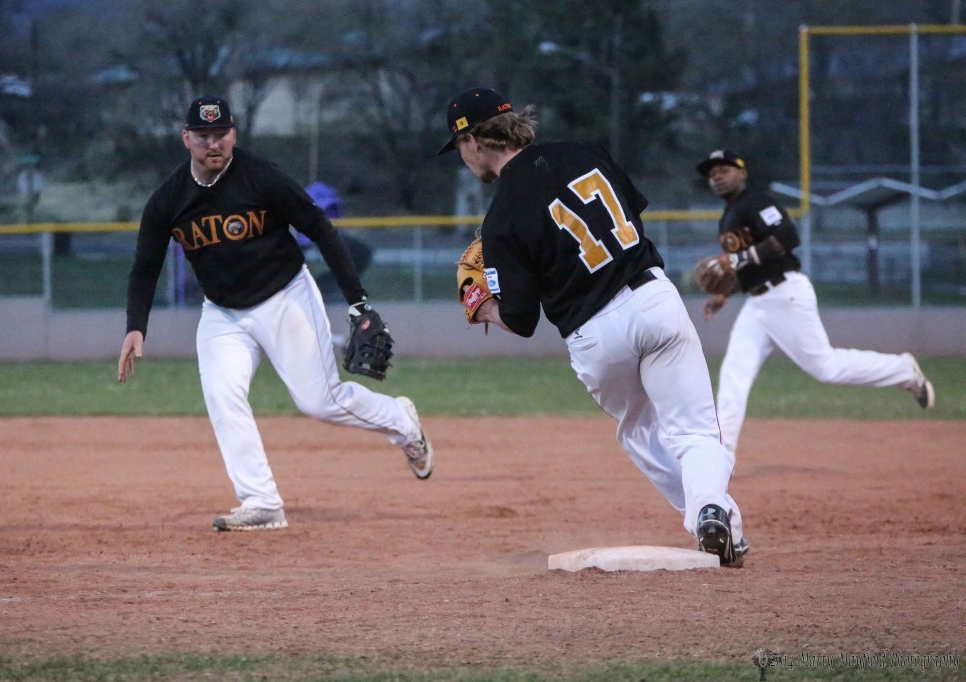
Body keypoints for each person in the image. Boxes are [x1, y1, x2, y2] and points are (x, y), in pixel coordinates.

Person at [439, 87, 748, 566]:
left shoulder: (500, 217)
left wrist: (481, 308)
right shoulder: (584, 152)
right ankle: (713, 509)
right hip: (652, 298)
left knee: (640, 431)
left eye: (459, 147)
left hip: (594, 334)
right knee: (695, 433)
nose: (463, 158)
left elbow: (520, 320)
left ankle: (715, 522)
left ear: (476, 142)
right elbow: (632, 214)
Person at [117, 95, 434, 532]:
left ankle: (401, 421)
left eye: (221, 133)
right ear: (186, 138)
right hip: (223, 313)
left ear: (234, 134)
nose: (214, 143)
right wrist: (136, 326)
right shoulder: (167, 200)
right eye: (204, 135)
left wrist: (358, 300)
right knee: (222, 396)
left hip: (285, 298)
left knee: (319, 402)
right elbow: (145, 267)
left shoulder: (260, 177)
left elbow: (320, 228)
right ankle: (261, 501)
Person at [697, 148, 935, 454]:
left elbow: (787, 237)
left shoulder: (756, 202)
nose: (717, 177)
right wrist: (724, 294)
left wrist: (739, 258)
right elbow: (749, 267)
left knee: (826, 368)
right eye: (712, 174)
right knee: (733, 375)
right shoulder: (727, 218)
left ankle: (903, 369)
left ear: (742, 174)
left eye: (724, 170)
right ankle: (721, 453)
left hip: (785, 294)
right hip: (758, 304)